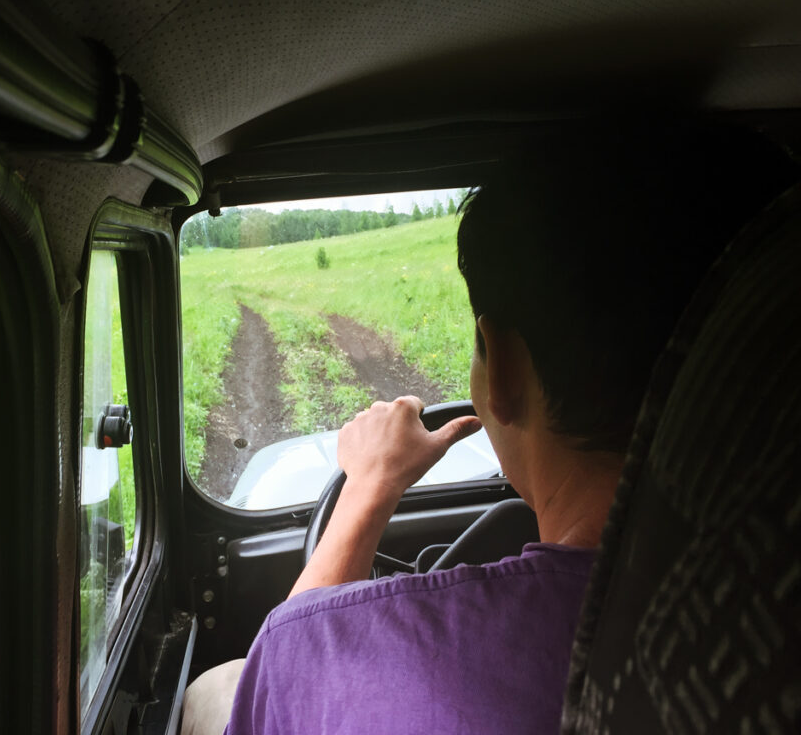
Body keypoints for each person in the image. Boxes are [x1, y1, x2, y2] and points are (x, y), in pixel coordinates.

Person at [181, 121, 799, 735]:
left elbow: (290, 668)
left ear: (501, 366)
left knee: (214, 688)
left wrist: (370, 485)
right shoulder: (762, 620)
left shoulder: (333, 652)